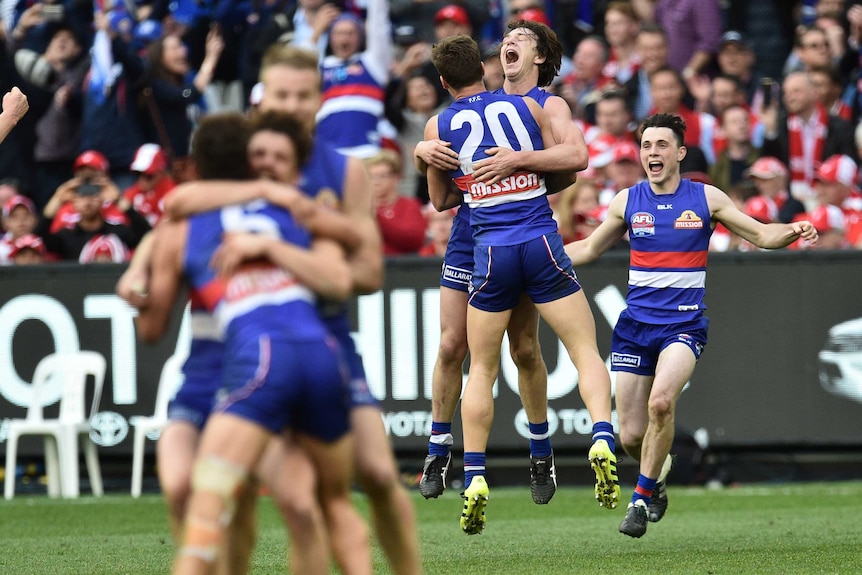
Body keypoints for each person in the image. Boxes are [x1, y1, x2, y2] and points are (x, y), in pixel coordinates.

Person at [164, 44, 423, 575]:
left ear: (319, 100)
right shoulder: (244, 158)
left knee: (375, 473)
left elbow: (370, 274)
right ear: (261, 97)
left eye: (303, 96)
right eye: (281, 93)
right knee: (274, 496)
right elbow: (181, 210)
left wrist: (293, 256)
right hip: (240, 343)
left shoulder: (345, 172)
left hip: (323, 338)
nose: (292, 104)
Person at [135, 111, 371, 575]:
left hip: (257, 367)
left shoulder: (187, 220)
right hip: (257, 366)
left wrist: (136, 290)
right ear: (249, 162)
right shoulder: (282, 203)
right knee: (312, 503)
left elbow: (150, 329)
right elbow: (352, 256)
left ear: (193, 165)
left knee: (214, 501)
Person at [564, 112, 819, 539]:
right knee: (630, 435)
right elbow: (589, 247)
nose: (652, 153)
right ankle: (657, 481)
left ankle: (639, 502)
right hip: (634, 327)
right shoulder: (627, 201)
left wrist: (793, 229)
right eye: (646, 146)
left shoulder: (707, 199)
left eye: (661, 145)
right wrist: (537, 259)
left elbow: (760, 235)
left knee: (661, 403)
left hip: (683, 325)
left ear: (680, 152)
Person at [414, 19, 612, 511]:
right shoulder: (490, 108)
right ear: (486, 65)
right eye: (508, 38)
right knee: (450, 344)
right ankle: (439, 446)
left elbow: (571, 166)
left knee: (523, 349)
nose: (512, 43)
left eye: (523, 38)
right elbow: (443, 197)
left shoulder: (546, 104)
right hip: (475, 229)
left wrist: (517, 164)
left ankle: (538, 453)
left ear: (540, 56)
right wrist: (424, 152)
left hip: (504, 224)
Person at [366, 150, 427, 256]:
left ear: (396, 178)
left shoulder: (410, 205)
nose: (376, 181)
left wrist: (376, 216)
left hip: (402, 267)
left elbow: (414, 239)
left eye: (382, 176)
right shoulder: (362, 207)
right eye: (372, 176)